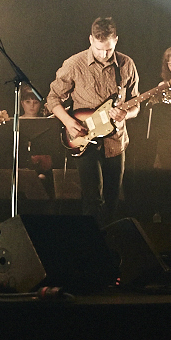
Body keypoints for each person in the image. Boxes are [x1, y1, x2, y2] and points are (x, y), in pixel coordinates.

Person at [45, 17, 139, 224]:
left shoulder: (126, 64)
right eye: (98, 49)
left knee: (113, 201)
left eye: (108, 50)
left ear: (116, 40)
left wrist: (126, 114)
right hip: (85, 139)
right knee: (92, 200)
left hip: (116, 141)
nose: (103, 55)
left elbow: (136, 105)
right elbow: (52, 98)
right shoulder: (74, 64)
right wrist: (69, 122)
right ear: (90, 40)